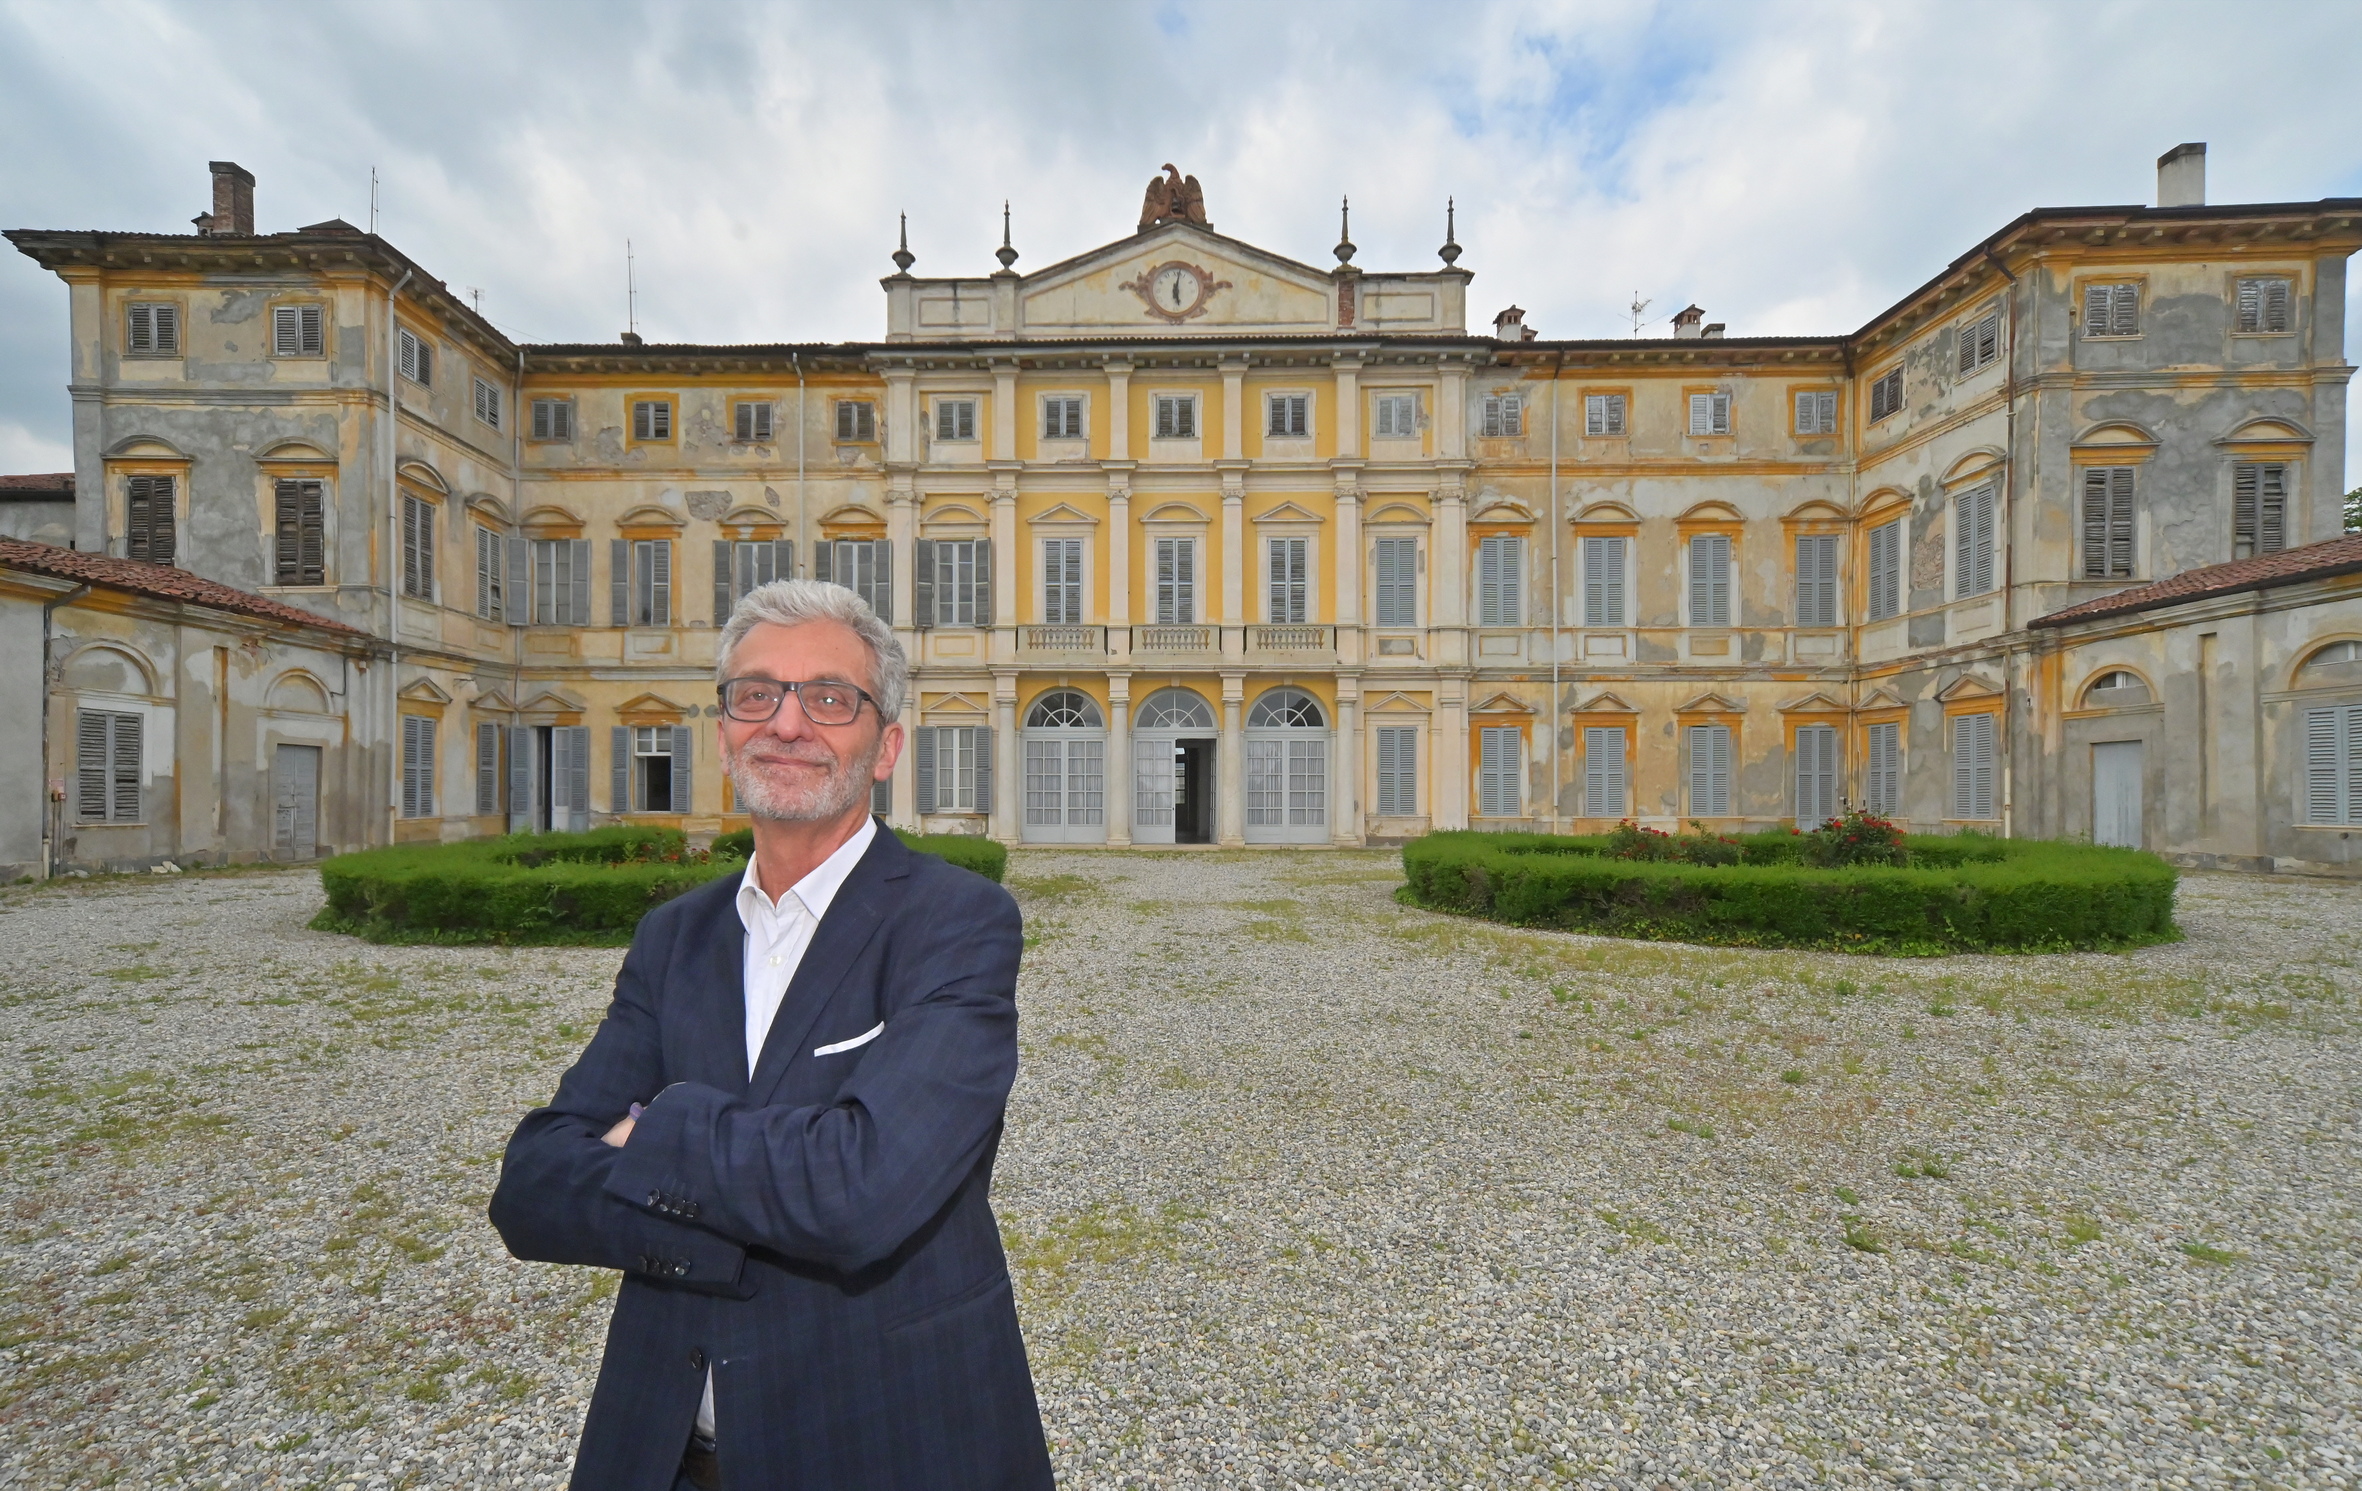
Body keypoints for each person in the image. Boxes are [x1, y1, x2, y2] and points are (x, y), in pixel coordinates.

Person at [489, 579, 1053, 1491]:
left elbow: (865, 1188)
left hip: (887, 1437)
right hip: (671, 1445)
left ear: (885, 747)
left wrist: (658, 1133)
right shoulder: (675, 936)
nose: (787, 722)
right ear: (723, 731)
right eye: (757, 693)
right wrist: (747, 1222)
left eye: (830, 697)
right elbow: (533, 1185)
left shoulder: (958, 922)